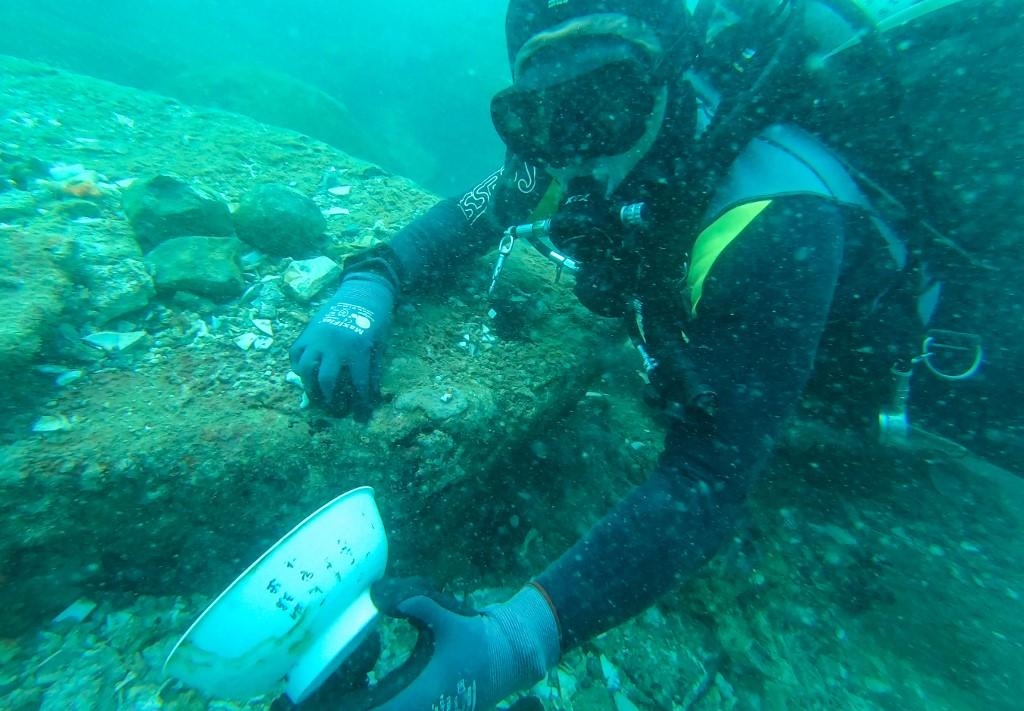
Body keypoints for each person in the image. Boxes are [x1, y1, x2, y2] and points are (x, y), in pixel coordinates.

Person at [289, 1, 942, 708]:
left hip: (861, 368)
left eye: (605, 97)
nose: (577, 147)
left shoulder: (773, 220)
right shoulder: (563, 148)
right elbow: (473, 212)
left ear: (668, 78)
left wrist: (513, 639)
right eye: (540, 110)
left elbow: (710, 482)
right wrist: (372, 279)